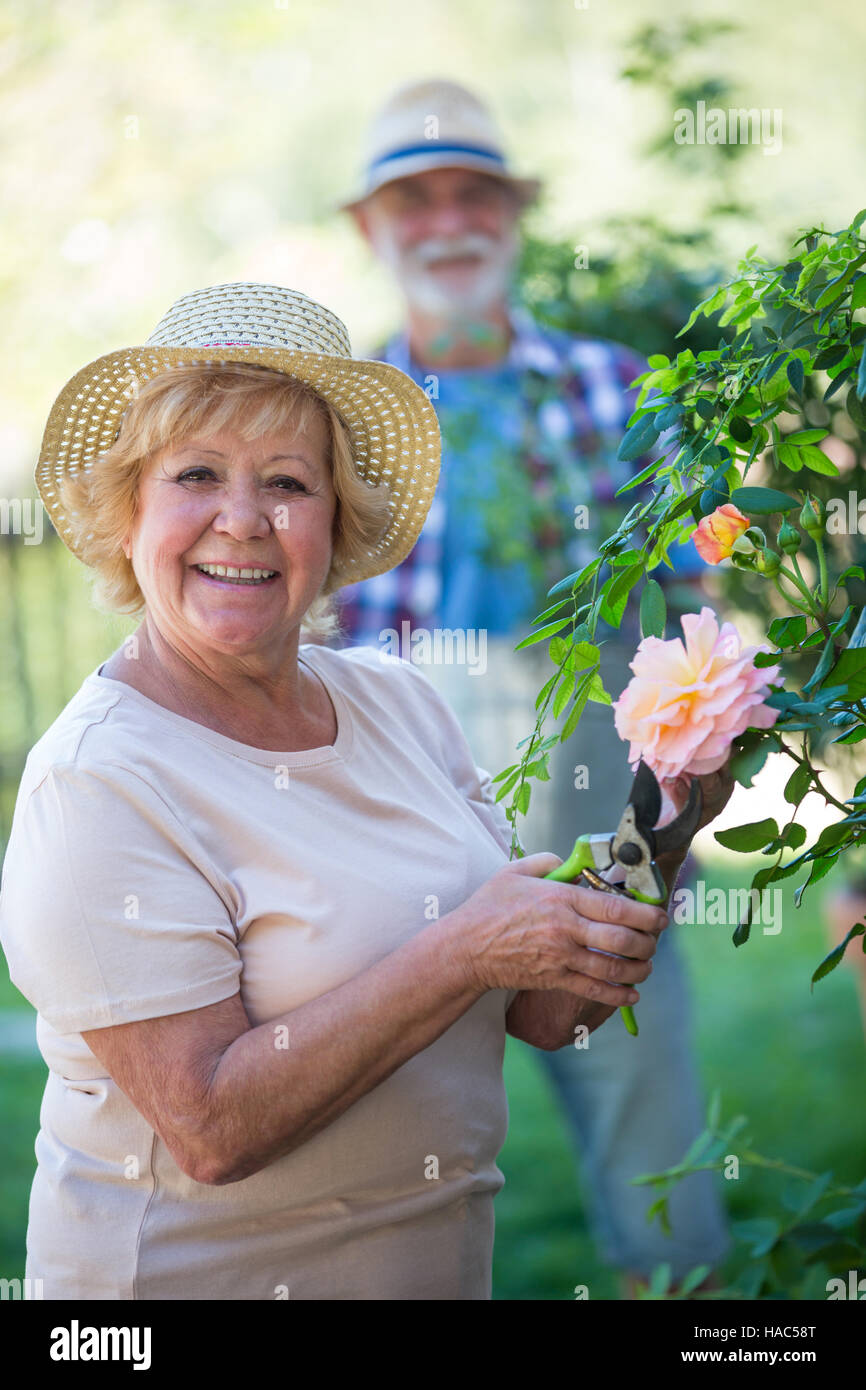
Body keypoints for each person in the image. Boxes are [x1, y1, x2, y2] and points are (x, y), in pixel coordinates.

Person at [0, 281, 734, 1300]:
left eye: (288, 483)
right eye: (197, 474)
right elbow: (211, 1128)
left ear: (336, 522)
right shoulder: (101, 782)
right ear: (128, 511)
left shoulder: (398, 704)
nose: (244, 520)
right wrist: (460, 947)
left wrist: (669, 807)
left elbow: (542, 1009)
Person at [332, 78, 731, 1295]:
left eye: (473, 195)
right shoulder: (340, 415)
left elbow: (693, 628)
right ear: (371, 228)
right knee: (383, 1194)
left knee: (661, 1187)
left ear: (511, 214)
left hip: (595, 827)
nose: (447, 223)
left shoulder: (621, 389)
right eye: (416, 201)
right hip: (399, 845)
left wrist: (670, 819)